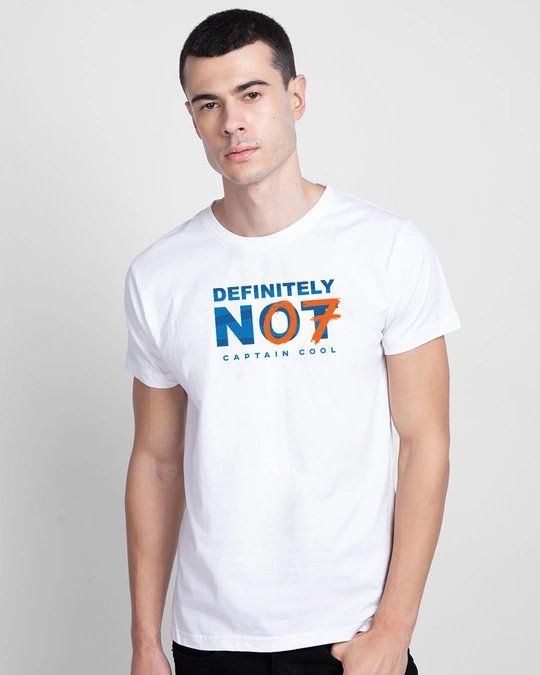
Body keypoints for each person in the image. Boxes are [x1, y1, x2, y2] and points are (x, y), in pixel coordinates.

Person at [123, 8, 462, 675]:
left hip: (350, 633)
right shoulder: (160, 275)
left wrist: (393, 630)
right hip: (213, 638)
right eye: (209, 104)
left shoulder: (386, 248)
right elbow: (156, 463)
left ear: (295, 96)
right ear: (192, 118)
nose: (232, 122)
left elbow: (426, 442)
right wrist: (144, 642)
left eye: (251, 94)